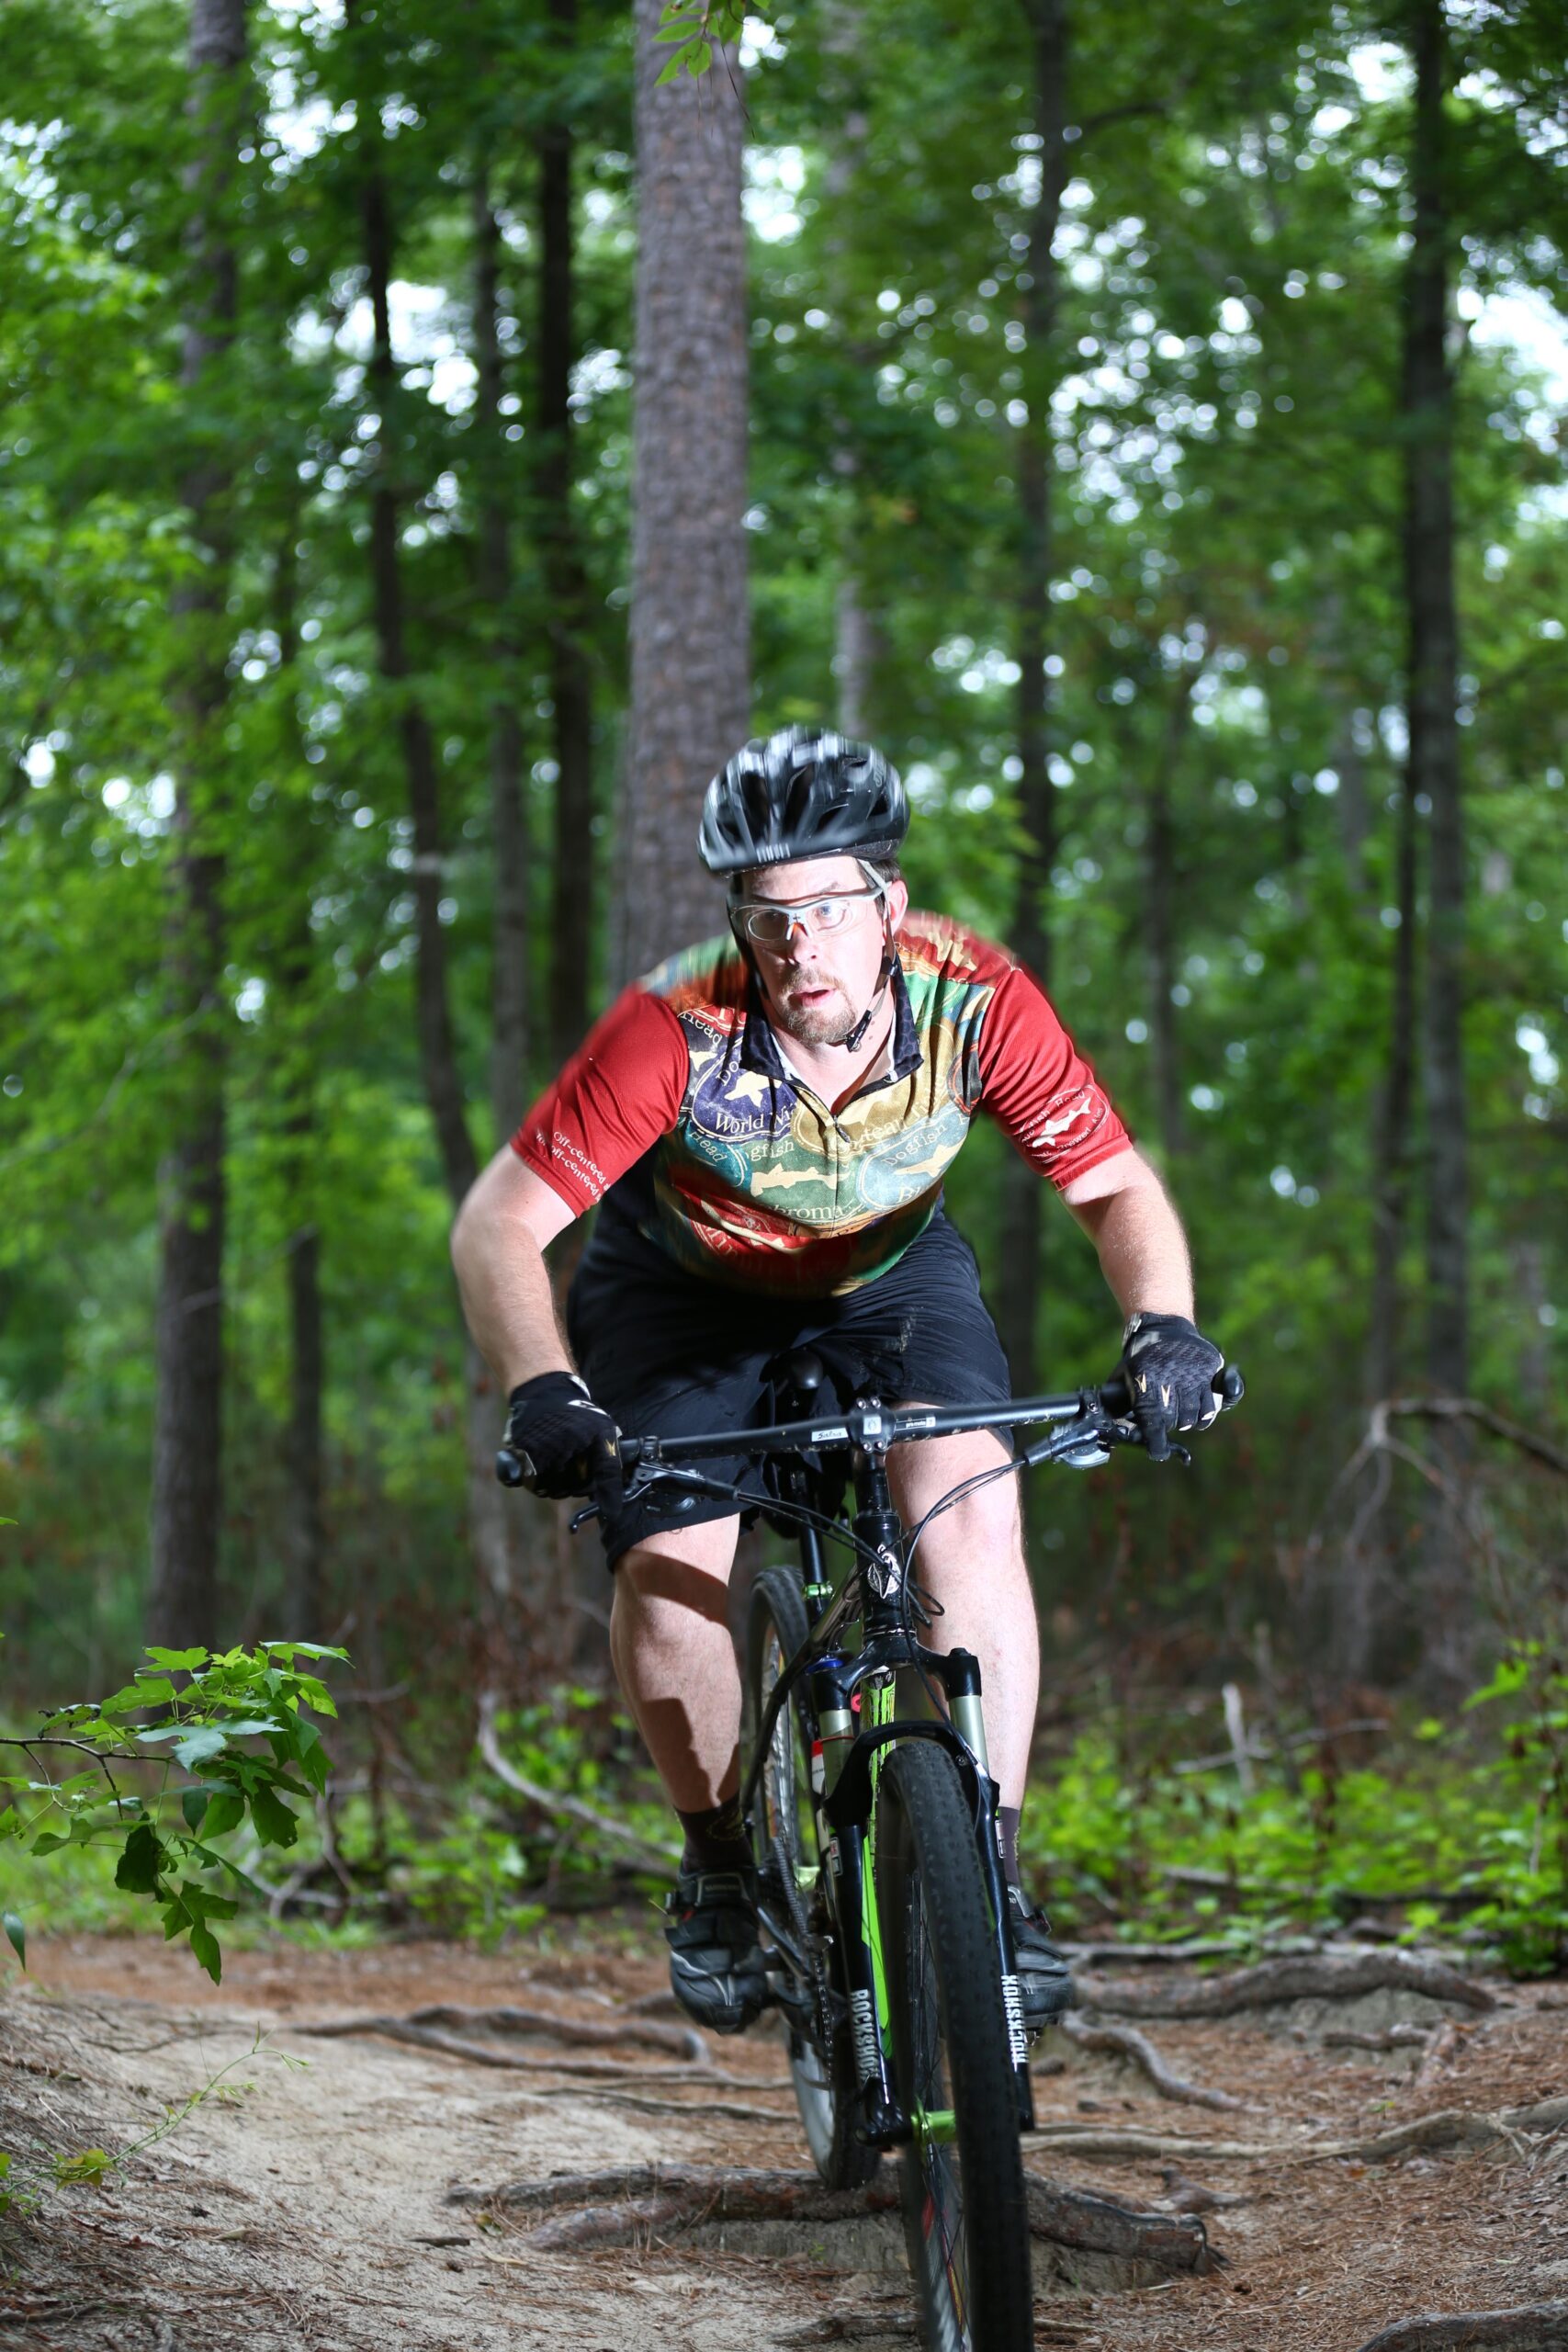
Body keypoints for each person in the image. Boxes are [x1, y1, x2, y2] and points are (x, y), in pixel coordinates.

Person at [451, 727, 1228, 2035]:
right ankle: (714, 1868)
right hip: (678, 1292)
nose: (797, 943)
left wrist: (1166, 1327)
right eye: (768, 917)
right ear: (739, 924)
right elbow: (499, 1221)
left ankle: (990, 1873)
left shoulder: (977, 1001)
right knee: (673, 1560)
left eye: (825, 908)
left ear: (890, 909)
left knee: (971, 1506)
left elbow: (1112, 1188)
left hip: (888, 1281)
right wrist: (544, 1388)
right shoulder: (673, 1026)